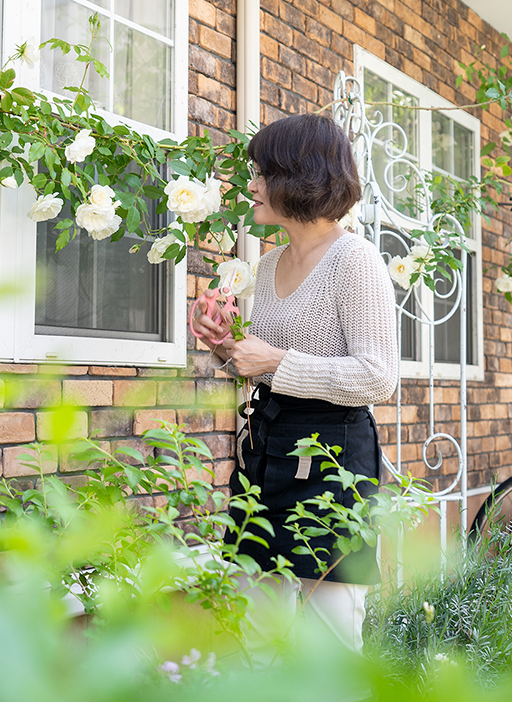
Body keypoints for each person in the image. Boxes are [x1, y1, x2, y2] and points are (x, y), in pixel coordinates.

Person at [193, 113, 398, 657]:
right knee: (253, 626)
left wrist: (276, 359)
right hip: (266, 453)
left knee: (327, 641)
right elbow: (258, 362)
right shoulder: (269, 263)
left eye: (263, 172)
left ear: (300, 177)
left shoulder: (355, 261)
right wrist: (223, 343)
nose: (252, 185)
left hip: (331, 460)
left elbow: (379, 377)